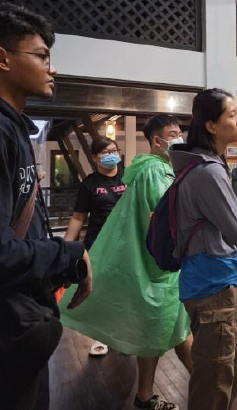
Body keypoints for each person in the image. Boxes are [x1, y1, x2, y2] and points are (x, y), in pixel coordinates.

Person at [0, 3, 92, 410]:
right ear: (1, 58)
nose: (51, 68)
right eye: (41, 56)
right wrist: (68, 252)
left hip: (12, 327)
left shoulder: (4, 125)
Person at [58, 115, 192, 410]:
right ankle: (208, 391)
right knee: (176, 329)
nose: (179, 138)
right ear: (157, 142)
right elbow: (167, 219)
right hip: (156, 265)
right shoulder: (155, 173)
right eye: (173, 134)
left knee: (157, 328)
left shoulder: (149, 170)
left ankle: (146, 395)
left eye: (180, 132)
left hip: (138, 257)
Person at [170, 88, 237, 410]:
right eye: (232, 115)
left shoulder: (207, 166)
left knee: (234, 359)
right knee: (215, 374)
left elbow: (232, 219)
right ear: (211, 125)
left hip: (222, 280)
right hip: (211, 283)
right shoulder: (209, 171)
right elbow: (235, 228)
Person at [61, 135, 126, 357]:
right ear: (95, 156)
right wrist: (67, 247)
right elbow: (78, 217)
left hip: (127, 244)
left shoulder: (129, 177)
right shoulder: (89, 184)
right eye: (106, 152)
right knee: (100, 289)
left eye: (115, 151)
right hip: (98, 244)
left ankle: (125, 336)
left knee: (125, 290)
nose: (112, 155)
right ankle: (101, 336)